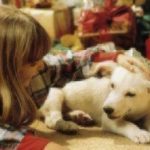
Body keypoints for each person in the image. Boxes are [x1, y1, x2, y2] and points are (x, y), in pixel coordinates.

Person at [0, 4, 149, 150]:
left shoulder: (41, 70)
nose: (41, 65)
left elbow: (69, 63)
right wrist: (37, 145)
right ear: (7, 71)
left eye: (42, 58)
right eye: (33, 63)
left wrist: (114, 56)